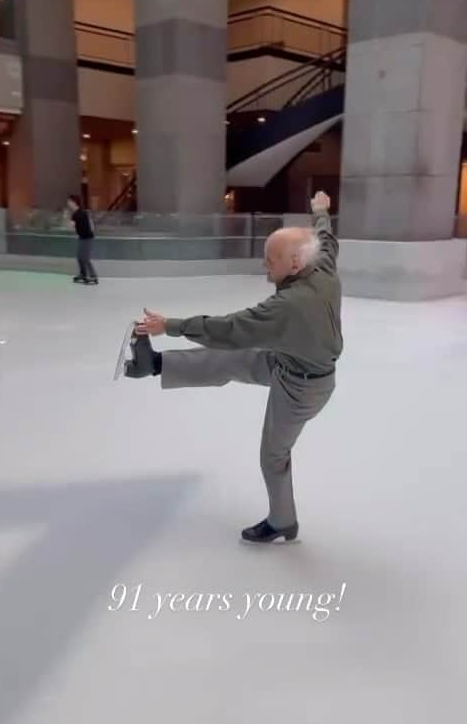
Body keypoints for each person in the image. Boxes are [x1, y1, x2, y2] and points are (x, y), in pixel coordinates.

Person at [123, 191, 342, 544]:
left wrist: (171, 325)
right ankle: (156, 364)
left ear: (297, 263)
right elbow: (327, 239)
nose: (264, 266)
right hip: (291, 364)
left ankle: (282, 521)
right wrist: (321, 211)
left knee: (273, 454)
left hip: (300, 388)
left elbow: (226, 329)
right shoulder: (324, 266)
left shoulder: (286, 306)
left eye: (271, 260)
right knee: (230, 361)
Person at [67, 195, 99, 285]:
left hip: (87, 238)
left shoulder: (78, 213)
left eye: (69, 202)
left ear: (74, 202)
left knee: (85, 258)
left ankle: (93, 276)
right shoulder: (82, 212)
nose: (68, 204)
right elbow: (91, 224)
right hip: (82, 237)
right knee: (80, 257)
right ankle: (83, 274)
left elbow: (70, 226)